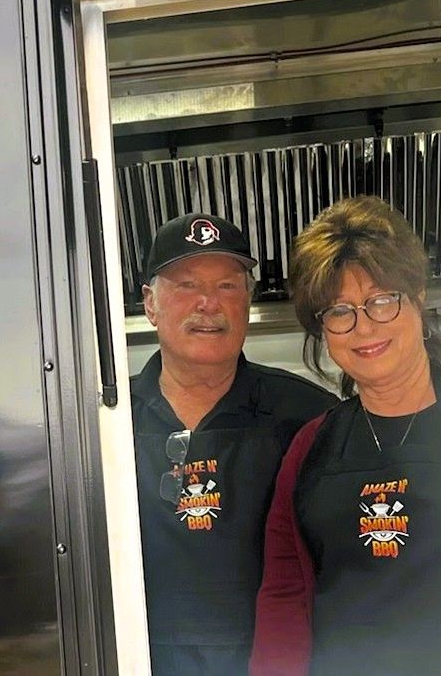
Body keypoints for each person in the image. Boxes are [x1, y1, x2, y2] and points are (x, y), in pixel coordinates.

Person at [250, 196, 441, 676]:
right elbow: (283, 597)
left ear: (417, 296)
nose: (363, 325)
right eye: (339, 310)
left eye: (381, 299)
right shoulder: (311, 447)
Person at [130, 212, 337, 676]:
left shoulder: (309, 414)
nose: (208, 303)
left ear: (248, 299)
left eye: (227, 285)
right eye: (186, 285)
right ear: (150, 302)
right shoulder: (107, 424)